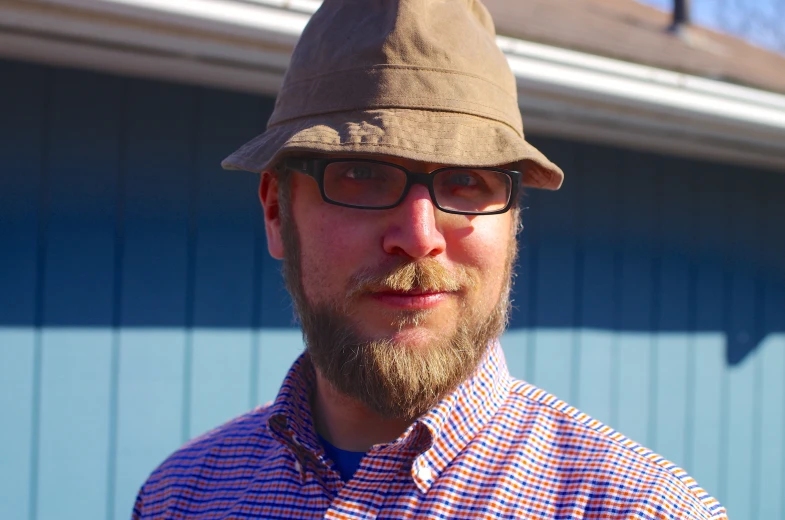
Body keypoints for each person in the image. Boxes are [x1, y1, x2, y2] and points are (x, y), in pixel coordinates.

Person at [132, 0, 727, 518]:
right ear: (275, 213)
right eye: (362, 174)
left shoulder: (638, 510)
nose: (418, 238)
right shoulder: (181, 497)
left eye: (467, 180)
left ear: (513, 221)